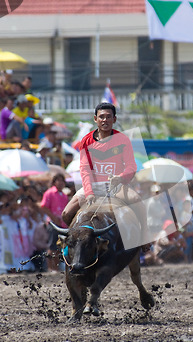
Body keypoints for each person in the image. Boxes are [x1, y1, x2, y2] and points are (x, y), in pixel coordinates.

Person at [61, 102, 150, 251]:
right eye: (101, 117)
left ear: (114, 119)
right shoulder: (86, 141)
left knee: (136, 200)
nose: (105, 120)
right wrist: (89, 193)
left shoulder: (123, 140)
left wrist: (120, 178)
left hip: (117, 186)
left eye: (109, 117)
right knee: (66, 214)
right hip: (93, 187)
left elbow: (131, 166)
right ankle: (70, 245)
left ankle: (145, 237)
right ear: (95, 119)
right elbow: (84, 169)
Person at [40, 173, 69, 272]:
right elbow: (43, 206)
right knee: (52, 246)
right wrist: (53, 218)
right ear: (54, 182)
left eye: (62, 181)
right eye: (58, 180)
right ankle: (50, 267)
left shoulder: (64, 195)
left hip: (62, 224)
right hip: (53, 223)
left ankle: (56, 267)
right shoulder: (50, 193)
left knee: (58, 247)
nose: (61, 183)